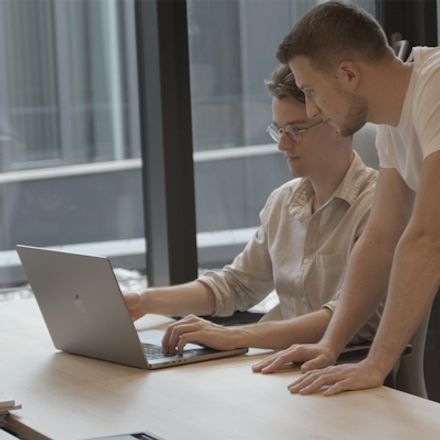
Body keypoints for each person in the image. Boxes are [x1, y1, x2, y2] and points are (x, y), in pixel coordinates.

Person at [124, 64, 379, 355]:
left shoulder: (378, 207)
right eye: (279, 130)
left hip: (343, 370)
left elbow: (346, 317)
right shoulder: (283, 202)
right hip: (279, 365)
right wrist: (143, 301)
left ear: (338, 123)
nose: (282, 144)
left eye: (295, 130)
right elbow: (236, 285)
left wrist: (238, 336)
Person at [253, 0, 440, 396]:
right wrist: (330, 345)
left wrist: (376, 364)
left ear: (349, 74)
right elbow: (380, 240)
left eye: (311, 91)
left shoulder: (436, 87)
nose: (311, 108)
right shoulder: (394, 123)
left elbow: (427, 239)